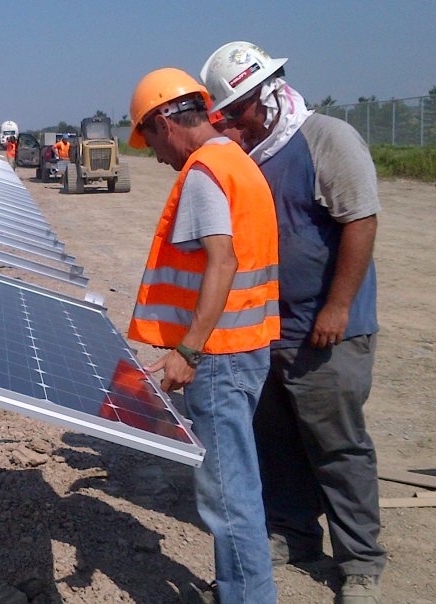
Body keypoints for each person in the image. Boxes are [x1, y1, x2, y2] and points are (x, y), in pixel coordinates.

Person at [201, 41, 385, 604]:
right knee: (276, 438)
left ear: (265, 95)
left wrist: (337, 306)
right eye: (222, 117)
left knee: (335, 442)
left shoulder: (326, 139)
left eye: (235, 113)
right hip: (268, 328)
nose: (230, 125)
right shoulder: (247, 151)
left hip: (327, 328)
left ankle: (359, 563)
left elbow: (360, 220)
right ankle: (294, 533)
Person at [127, 67, 280, 604]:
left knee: (227, 495)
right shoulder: (236, 160)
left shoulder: (202, 172)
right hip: (248, 347)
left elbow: (223, 261)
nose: (153, 154)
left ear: (163, 123)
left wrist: (188, 351)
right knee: (237, 484)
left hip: (219, 359)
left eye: (147, 140)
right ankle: (239, 588)